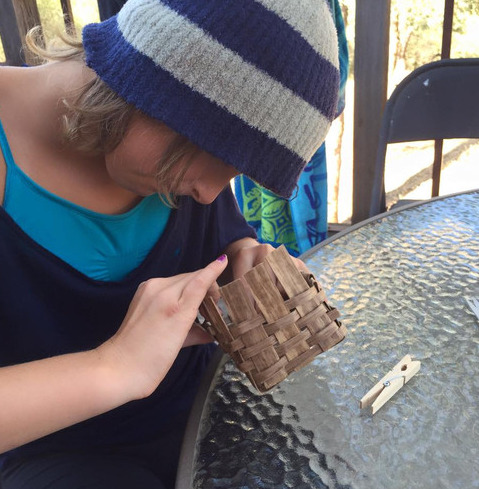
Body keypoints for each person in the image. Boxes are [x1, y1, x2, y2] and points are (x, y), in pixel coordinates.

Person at [0, 0, 340, 488]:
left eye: (234, 173)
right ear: (150, 84)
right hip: (59, 453)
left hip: (209, 411)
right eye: (215, 156)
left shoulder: (177, 163)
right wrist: (113, 367)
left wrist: (242, 257)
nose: (209, 193)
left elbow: (224, 234)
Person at [235, 0, 349, 256]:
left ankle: (302, 265)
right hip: (247, 114)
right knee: (252, 224)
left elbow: (335, 47)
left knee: (302, 214)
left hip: (305, 117)